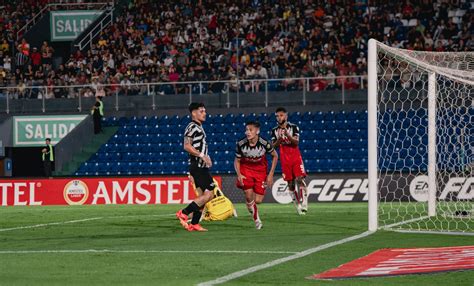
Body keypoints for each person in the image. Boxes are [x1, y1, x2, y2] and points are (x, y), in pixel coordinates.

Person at [176, 102, 215, 232]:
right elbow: (186, 146)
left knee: (201, 197)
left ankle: (194, 223)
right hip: (199, 166)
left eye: (205, 111)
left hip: (198, 166)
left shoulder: (198, 126)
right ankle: (184, 212)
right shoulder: (192, 126)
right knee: (210, 194)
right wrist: (202, 155)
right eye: (201, 111)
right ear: (193, 113)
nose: (204, 113)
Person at [235, 121, 278, 229]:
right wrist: (239, 174)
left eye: (250, 130)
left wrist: (271, 174)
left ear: (257, 131)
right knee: (249, 194)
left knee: (258, 200)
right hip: (246, 170)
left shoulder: (264, 143)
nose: (247, 132)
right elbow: (237, 161)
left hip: (260, 171)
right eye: (246, 130)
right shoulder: (241, 144)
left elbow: (275, 156)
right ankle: (257, 221)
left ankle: (250, 203)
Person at [271, 107, 308, 215]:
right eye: (277, 116)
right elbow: (272, 146)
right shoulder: (274, 130)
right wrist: (279, 139)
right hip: (284, 159)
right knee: (290, 184)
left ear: (286, 116)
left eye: (281, 115)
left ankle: (304, 202)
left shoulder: (294, 127)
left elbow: (296, 142)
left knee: (299, 178)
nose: (279, 117)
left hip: (295, 157)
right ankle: (298, 206)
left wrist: (287, 135)